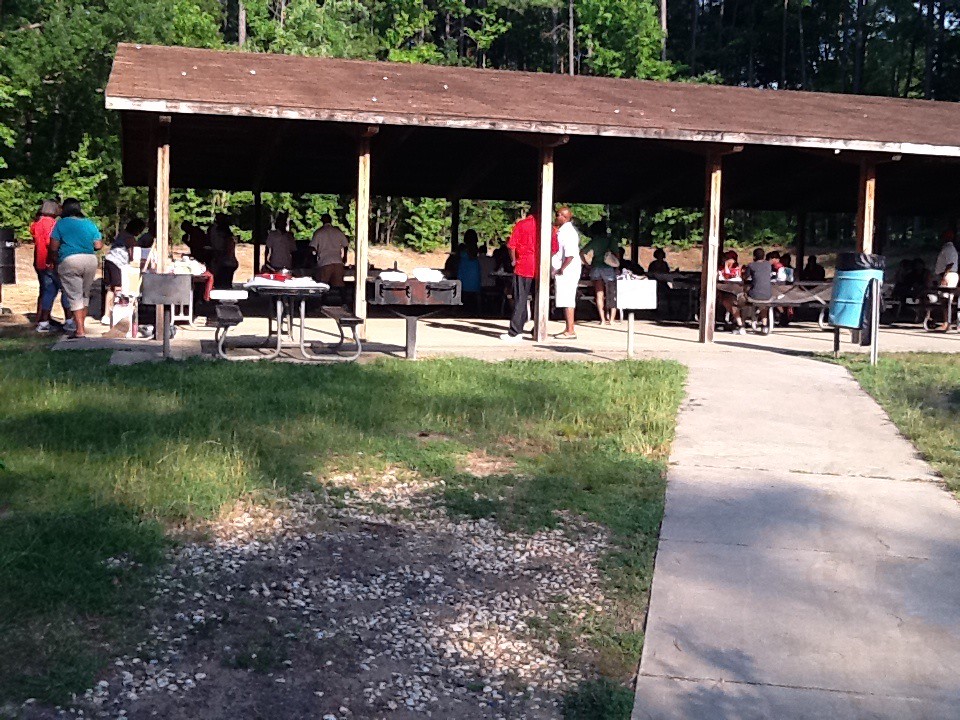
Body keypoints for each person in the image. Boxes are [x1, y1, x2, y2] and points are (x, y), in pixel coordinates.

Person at [49, 198, 103, 338]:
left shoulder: (61, 224)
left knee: (74, 296)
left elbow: (53, 246)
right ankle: (82, 327)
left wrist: (55, 260)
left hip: (70, 260)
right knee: (85, 295)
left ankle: (79, 331)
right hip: (90, 260)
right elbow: (98, 245)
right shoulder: (90, 223)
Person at [501, 206, 543, 341]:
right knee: (540, 299)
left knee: (520, 299)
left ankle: (515, 331)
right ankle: (538, 329)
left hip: (524, 265)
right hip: (541, 267)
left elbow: (511, 245)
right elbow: (554, 248)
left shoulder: (522, 224)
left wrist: (514, 261)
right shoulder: (548, 227)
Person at [102, 217, 146, 325]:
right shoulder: (129, 238)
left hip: (109, 260)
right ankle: (117, 314)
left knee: (110, 289)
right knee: (118, 288)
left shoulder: (122, 234)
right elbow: (134, 254)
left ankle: (107, 315)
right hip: (117, 264)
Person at [31, 200, 65, 333]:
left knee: (44, 290)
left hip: (38, 261)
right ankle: (44, 320)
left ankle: (41, 318)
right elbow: (50, 242)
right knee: (52, 290)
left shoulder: (37, 223)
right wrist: (54, 259)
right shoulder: (50, 223)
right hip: (48, 261)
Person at [580, 221, 620, 325]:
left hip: (596, 267)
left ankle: (602, 319)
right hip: (608, 268)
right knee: (612, 293)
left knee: (599, 294)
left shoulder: (595, 241)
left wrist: (587, 264)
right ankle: (611, 319)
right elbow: (617, 254)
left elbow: (582, 252)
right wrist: (617, 266)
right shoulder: (611, 240)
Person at [552, 206, 582, 339]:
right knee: (565, 298)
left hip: (567, 270)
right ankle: (568, 328)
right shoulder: (562, 231)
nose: (556, 217)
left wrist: (561, 268)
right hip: (564, 269)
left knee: (568, 298)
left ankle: (570, 330)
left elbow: (570, 255)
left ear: (564, 217)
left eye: (558, 215)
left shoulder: (568, 233)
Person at [310, 214, 349, 287]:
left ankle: (324, 299)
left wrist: (314, 259)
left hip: (325, 262)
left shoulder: (319, 232)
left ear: (322, 221)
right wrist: (345, 257)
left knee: (322, 286)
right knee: (340, 286)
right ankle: (344, 298)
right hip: (337, 261)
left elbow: (312, 247)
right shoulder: (337, 232)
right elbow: (346, 245)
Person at [209, 214, 238, 288]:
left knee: (222, 285)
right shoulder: (224, 235)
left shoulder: (228, 238)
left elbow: (228, 250)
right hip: (227, 263)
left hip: (226, 263)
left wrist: (219, 258)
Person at [458, 229, 482, 311]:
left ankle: (462, 308)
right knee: (475, 292)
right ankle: (477, 309)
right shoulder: (475, 249)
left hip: (464, 271)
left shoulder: (462, 249)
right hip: (474, 271)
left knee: (463, 291)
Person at [936, 262, 959, 331]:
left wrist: (945, 274)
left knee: (946, 300)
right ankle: (948, 322)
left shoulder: (949, 251)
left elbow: (951, 263)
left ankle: (947, 323)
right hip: (950, 276)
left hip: (950, 276)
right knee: (947, 300)